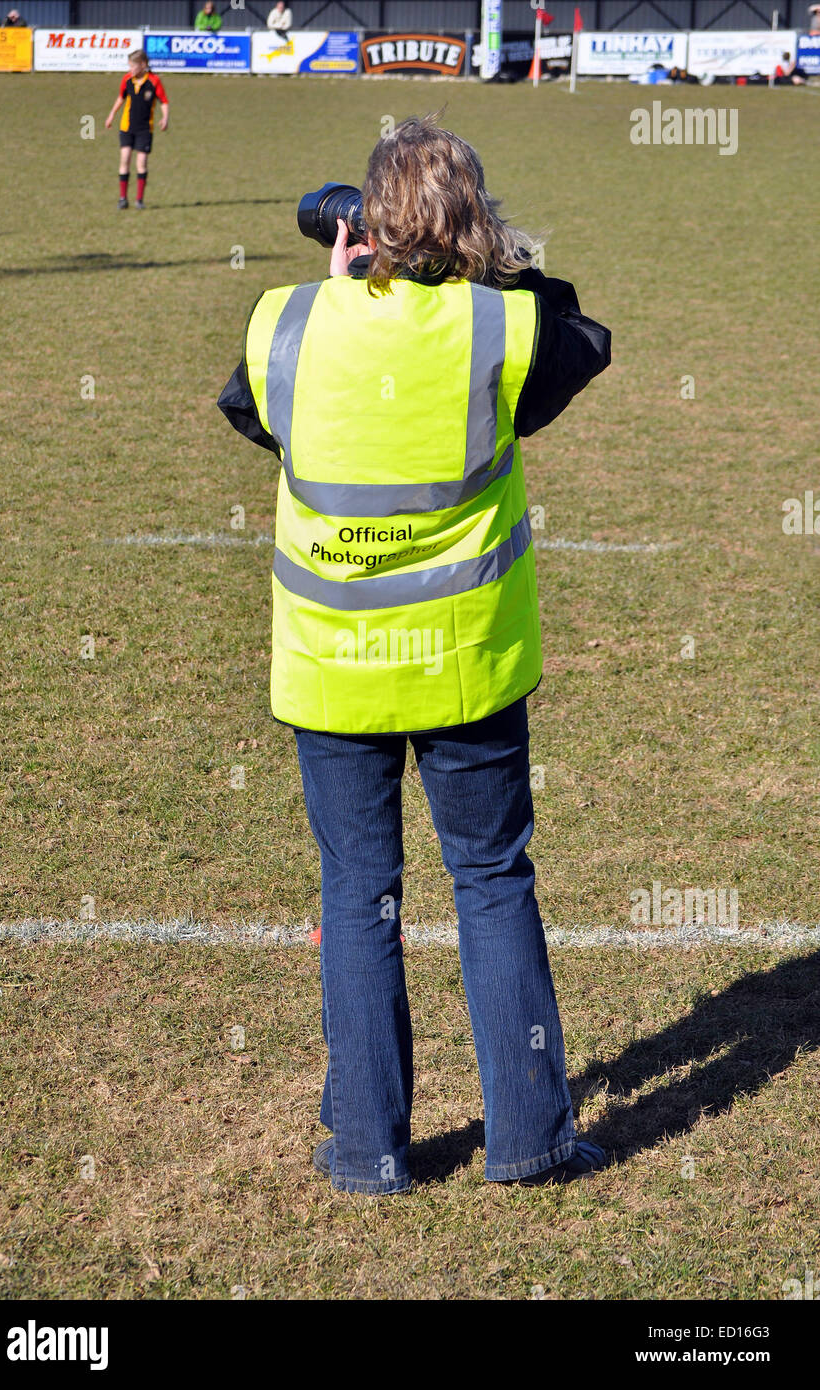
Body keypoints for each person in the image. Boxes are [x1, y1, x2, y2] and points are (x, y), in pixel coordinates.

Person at [218, 116, 611, 1196]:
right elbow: (580, 332)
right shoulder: (497, 329)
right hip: (461, 665)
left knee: (357, 895)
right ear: (469, 224)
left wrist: (347, 287)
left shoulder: (288, 324)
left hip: (331, 668)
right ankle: (528, 1139)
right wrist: (497, 262)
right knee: (489, 880)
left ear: (368, 227)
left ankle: (368, 1147)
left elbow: (250, 414)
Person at [104, 50, 169, 211]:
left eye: (133, 66)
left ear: (143, 65)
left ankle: (139, 200)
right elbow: (121, 97)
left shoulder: (154, 81)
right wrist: (112, 114)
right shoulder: (127, 79)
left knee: (141, 163)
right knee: (124, 159)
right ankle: (122, 199)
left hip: (145, 129)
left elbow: (164, 101)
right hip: (127, 126)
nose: (130, 69)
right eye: (129, 66)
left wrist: (165, 117)